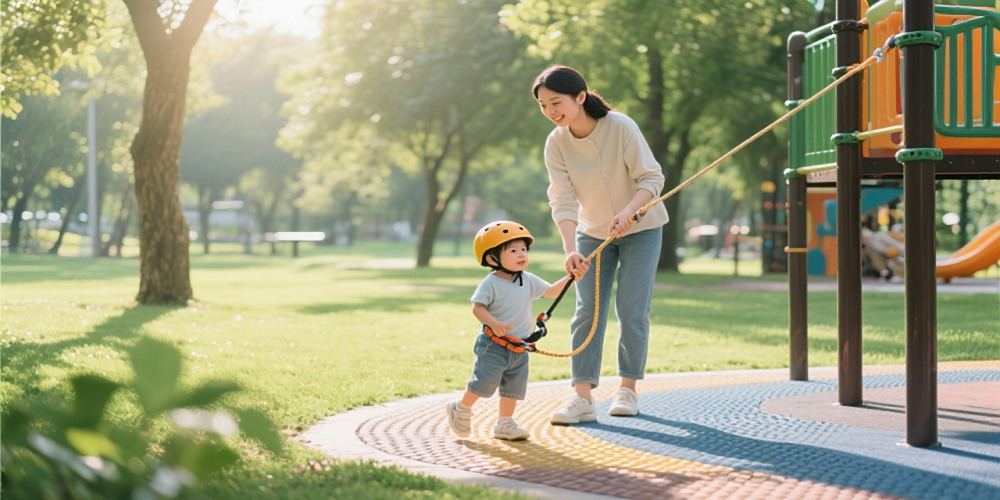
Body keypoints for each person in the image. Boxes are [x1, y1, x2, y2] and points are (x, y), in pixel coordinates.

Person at [532, 65, 670, 424]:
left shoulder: (621, 126)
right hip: (592, 233)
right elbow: (561, 199)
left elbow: (651, 178)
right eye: (543, 106)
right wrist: (569, 249)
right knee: (586, 312)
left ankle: (627, 389)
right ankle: (582, 398)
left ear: (580, 97)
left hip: (641, 228)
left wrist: (627, 213)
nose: (550, 112)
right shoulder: (556, 143)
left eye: (556, 103)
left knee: (632, 308)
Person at [446, 221, 575, 440]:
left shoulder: (528, 280)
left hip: (519, 346)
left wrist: (571, 276)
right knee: (483, 383)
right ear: (492, 258)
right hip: (494, 345)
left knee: (513, 388)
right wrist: (494, 324)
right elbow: (478, 308)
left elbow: (552, 291)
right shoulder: (491, 283)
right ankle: (461, 408)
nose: (521, 254)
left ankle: (504, 423)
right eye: (513, 250)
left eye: (524, 249)